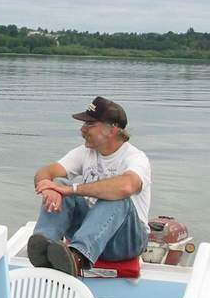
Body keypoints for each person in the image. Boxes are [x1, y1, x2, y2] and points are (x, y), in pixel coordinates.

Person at [29, 96, 151, 276]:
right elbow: (46, 171)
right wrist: (48, 187)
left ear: (112, 129)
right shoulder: (85, 152)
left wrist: (72, 190)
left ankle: (78, 257)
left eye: (90, 124)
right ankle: (45, 245)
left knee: (117, 197)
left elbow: (126, 186)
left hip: (125, 242)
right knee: (59, 184)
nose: (82, 129)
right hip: (93, 232)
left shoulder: (135, 158)